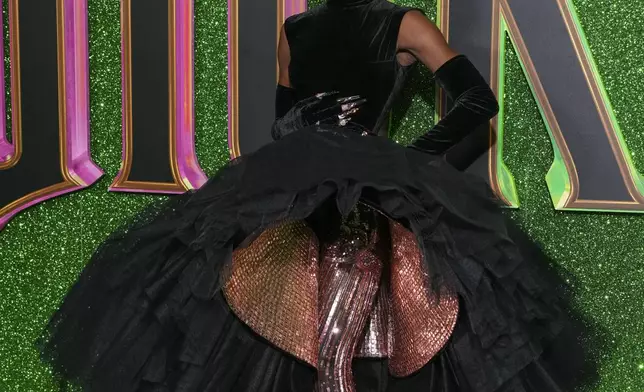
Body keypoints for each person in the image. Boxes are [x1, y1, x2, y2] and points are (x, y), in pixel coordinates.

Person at [38, 0, 597, 391]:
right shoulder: (296, 28)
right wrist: (308, 123)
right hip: (300, 178)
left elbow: (478, 103)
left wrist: (407, 158)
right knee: (274, 316)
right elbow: (284, 122)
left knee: (360, 332)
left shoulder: (403, 23)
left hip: (366, 184)